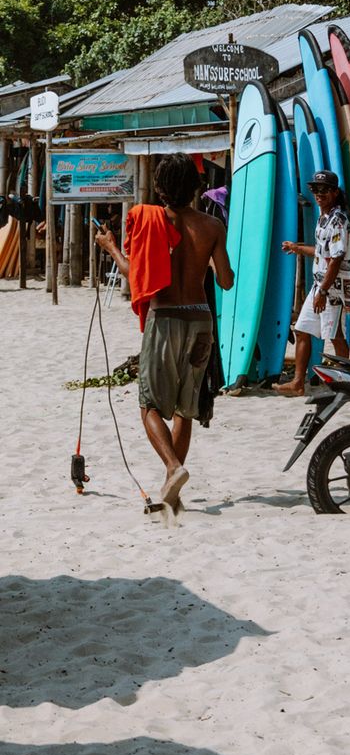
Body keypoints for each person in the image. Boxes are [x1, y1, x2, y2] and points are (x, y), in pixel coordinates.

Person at [95, 154, 234, 508]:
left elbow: (139, 277)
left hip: (165, 318)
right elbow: (226, 281)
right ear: (195, 188)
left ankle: (172, 467)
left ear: (159, 187)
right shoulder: (213, 226)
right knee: (186, 408)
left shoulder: (150, 219)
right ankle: (173, 492)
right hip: (201, 320)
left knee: (149, 405)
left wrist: (111, 248)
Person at [275, 169, 350, 397]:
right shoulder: (323, 217)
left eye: (324, 190)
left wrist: (324, 292)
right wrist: (297, 248)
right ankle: (298, 383)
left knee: (335, 336)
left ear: (335, 192)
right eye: (315, 190)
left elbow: (336, 260)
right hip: (319, 285)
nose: (319, 194)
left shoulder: (338, 220)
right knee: (301, 330)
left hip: (332, 288)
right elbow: (321, 253)